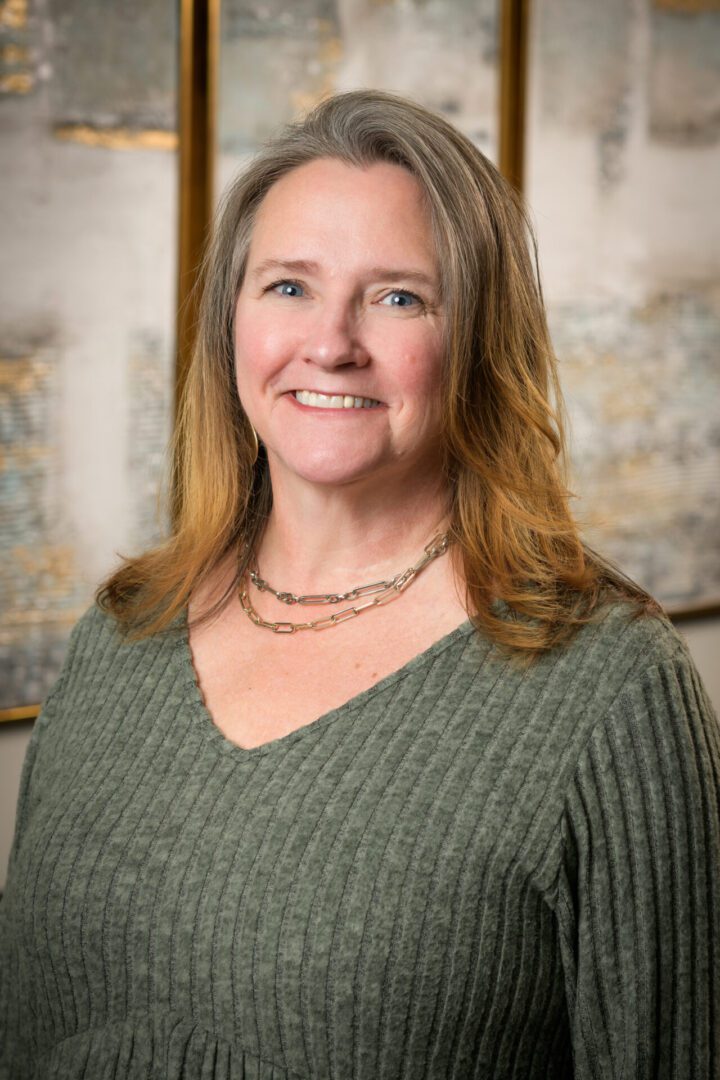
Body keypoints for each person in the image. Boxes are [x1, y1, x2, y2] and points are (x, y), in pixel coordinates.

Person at [1, 90, 718, 1080]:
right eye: (289, 286)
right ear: (231, 323)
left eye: (398, 297)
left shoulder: (607, 691)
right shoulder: (122, 636)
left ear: (478, 344)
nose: (331, 342)